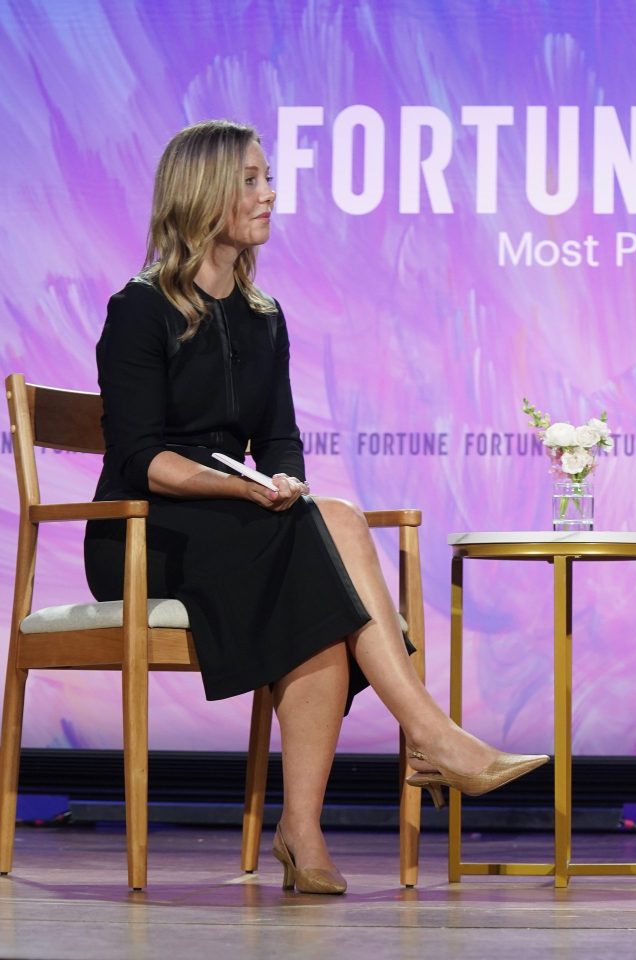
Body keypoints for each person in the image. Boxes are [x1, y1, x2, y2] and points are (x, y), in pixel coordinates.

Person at [83, 120, 547, 895]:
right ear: (203, 193)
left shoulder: (263, 315)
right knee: (323, 541)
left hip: (237, 523)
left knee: (325, 536)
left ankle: (307, 826)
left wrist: (281, 483)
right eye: (252, 180)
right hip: (144, 534)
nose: (270, 194)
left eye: (268, 178)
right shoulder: (139, 309)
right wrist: (242, 488)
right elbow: (142, 459)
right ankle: (428, 735)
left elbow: (279, 440)